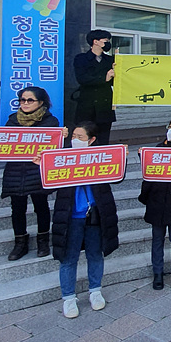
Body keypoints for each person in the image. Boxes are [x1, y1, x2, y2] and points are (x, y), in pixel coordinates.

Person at [50, 122, 120, 318]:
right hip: (71, 216)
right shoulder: (62, 157)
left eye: (80, 137)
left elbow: (117, 177)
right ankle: (69, 298)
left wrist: (119, 159)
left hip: (95, 215)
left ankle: (95, 291)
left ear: (92, 140)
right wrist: (42, 166)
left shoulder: (101, 157)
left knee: (95, 254)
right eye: (73, 136)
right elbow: (46, 186)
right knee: (68, 258)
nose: (75, 140)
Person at [0, 86, 57, 261]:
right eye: (22, 100)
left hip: (37, 170)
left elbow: (55, 145)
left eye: (30, 100)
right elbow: (2, 142)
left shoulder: (50, 122)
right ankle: (20, 243)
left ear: (41, 102)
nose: (25, 103)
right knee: (17, 208)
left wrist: (64, 136)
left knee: (41, 206)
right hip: (15, 170)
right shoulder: (12, 120)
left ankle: (43, 241)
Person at [139, 116, 171, 290]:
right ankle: (158, 273)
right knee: (157, 239)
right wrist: (143, 157)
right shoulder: (159, 147)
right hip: (157, 201)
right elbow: (150, 172)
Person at [73, 29, 116, 145]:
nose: (107, 43)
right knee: (84, 137)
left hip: (104, 106)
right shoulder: (81, 59)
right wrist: (104, 78)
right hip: (87, 105)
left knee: (103, 138)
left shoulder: (110, 60)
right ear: (95, 42)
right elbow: (82, 79)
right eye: (105, 40)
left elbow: (116, 82)